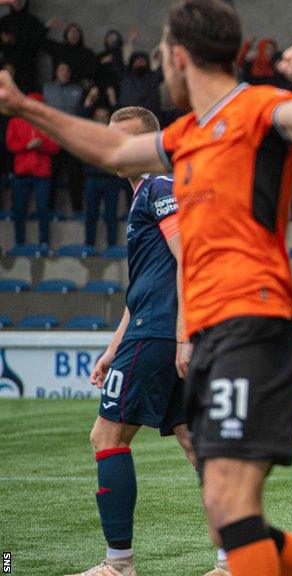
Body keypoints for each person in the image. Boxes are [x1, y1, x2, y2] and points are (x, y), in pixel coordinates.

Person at [0, 1, 292, 574]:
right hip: (213, 328)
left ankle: (122, 564)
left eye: (162, 50)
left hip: (251, 318)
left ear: (178, 55)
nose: (159, 60)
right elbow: (113, 149)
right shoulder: (188, 134)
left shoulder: (259, 107)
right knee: (226, 503)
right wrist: (20, 106)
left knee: (232, 501)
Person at [70, 106, 225, 576]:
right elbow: (145, 284)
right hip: (154, 330)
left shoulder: (158, 189)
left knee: (107, 435)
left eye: (126, 139)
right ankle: (231, 562)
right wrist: (113, 347)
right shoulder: (151, 194)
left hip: (160, 334)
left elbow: (188, 261)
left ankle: (118, 565)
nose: (115, 148)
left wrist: (183, 335)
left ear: (150, 144)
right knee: (196, 444)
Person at [6, 92, 57, 246]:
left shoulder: (48, 123)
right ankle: (19, 243)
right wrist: (27, 145)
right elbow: (10, 144)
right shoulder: (15, 121)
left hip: (42, 173)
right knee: (19, 210)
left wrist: (41, 144)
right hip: (22, 173)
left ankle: (44, 243)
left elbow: (55, 147)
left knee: (43, 210)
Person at [43, 61, 85, 214]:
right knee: (52, 174)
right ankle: (50, 209)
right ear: (56, 72)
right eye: (61, 70)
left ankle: (77, 209)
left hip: (72, 139)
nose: (64, 73)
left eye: (67, 70)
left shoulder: (78, 89)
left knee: (75, 175)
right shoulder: (47, 89)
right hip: (53, 138)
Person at [82, 105, 123, 248]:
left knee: (111, 215)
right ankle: (89, 245)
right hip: (92, 178)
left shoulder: (115, 136)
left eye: (104, 117)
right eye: (98, 117)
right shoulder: (88, 135)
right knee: (90, 214)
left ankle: (112, 245)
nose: (101, 120)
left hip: (111, 179)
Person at [0, 0, 48, 92]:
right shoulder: (4, 21)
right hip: (9, 63)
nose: (17, 3)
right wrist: (4, 40)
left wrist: (15, 40)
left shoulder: (32, 20)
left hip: (27, 65)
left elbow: (37, 43)